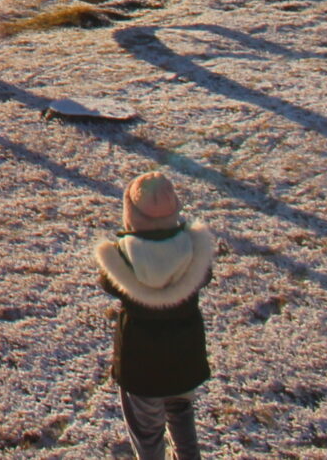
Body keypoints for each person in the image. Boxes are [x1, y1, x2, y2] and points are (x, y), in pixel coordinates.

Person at [91, 169, 216, 460]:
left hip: (141, 369)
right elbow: (205, 276)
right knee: (182, 415)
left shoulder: (121, 256)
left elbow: (107, 282)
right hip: (185, 359)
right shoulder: (193, 250)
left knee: (147, 435)